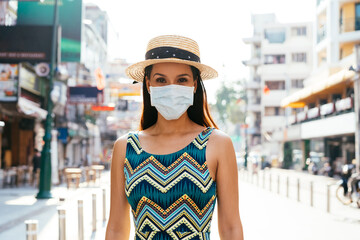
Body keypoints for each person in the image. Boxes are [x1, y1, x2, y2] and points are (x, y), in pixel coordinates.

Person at [105, 35, 244, 239]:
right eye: (161, 80)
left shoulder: (217, 144)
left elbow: (231, 228)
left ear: (195, 85)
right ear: (148, 84)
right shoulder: (125, 147)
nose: (171, 88)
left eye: (182, 80)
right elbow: (116, 228)